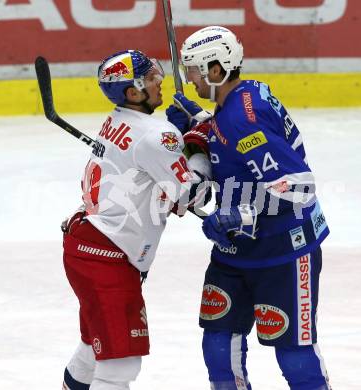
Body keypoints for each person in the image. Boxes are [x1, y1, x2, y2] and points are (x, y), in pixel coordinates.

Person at [166, 26, 331, 389]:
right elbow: (230, 143)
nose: (189, 80)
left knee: (294, 355)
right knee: (218, 345)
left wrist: (239, 213)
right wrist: (199, 125)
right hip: (235, 249)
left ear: (216, 70)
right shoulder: (242, 96)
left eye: (193, 71)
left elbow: (300, 186)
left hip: (284, 250)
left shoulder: (243, 120)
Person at [62, 49, 211, 390]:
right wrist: (196, 143)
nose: (161, 82)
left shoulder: (118, 120)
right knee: (119, 367)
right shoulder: (157, 136)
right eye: (152, 79)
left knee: (92, 348)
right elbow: (190, 195)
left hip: (86, 246)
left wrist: (175, 134)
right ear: (132, 92)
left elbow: (143, 158)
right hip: (109, 259)